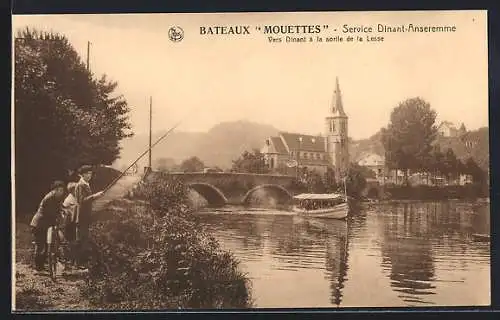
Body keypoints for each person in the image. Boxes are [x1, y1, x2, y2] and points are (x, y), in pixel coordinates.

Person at [29, 180, 66, 272]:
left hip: (46, 224)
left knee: (46, 245)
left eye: (62, 190)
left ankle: (41, 266)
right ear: (55, 190)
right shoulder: (49, 198)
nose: (62, 192)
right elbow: (51, 213)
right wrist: (59, 217)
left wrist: (62, 211)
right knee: (40, 246)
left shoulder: (56, 198)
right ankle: (38, 268)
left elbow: (59, 207)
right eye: (60, 190)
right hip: (40, 224)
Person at [74, 165, 104, 269]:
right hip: (81, 216)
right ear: (82, 175)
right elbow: (81, 201)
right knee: (80, 239)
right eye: (87, 173)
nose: (89, 175)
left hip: (85, 216)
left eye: (90, 173)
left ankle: (81, 263)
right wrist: (95, 196)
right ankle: (78, 263)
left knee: (84, 238)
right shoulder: (80, 185)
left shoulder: (86, 184)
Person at [61, 182, 78, 267]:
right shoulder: (69, 200)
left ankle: (73, 261)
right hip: (69, 224)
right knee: (70, 242)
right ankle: (69, 261)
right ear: (72, 191)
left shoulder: (75, 197)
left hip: (73, 222)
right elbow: (65, 213)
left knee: (74, 242)